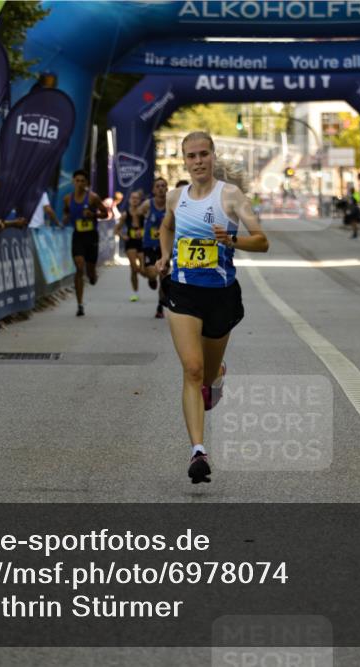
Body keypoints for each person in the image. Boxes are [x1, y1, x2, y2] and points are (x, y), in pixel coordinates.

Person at [154, 131, 269, 483]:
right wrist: (165, 256)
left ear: (213, 156)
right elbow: (166, 227)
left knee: (206, 374)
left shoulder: (230, 195)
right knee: (191, 369)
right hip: (183, 292)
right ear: (184, 160)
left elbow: (262, 241)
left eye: (203, 154)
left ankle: (216, 374)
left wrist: (232, 240)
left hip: (220, 294)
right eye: (191, 156)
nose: (198, 161)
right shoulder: (175, 197)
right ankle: (198, 452)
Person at [63, 169, 108, 317]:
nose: (80, 183)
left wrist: (93, 214)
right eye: (77, 180)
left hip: (91, 236)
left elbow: (106, 213)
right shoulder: (67, 199)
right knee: (79, 267)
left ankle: (93, 275)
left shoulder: (93, 198)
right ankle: (80, 304)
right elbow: (66, 211)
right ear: (73, 182)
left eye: (83, 181)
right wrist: (65, 218)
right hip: (78, 236)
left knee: (90, 271)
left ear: (87, 183)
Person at [136, 177, 169, 318]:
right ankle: (151, 279)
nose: (161, 188)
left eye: (163, 186)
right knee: (152, 273)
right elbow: (137, 213)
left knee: (163, 276)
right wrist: (138, 228)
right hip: (149, 245)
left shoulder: (171, 205)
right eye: (158, 186)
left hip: (164, 246)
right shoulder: (148, 204)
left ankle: (160, 306)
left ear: (167, 189)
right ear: (153, 190)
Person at [115, 189, 146, 302]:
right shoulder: (125, 214)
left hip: (142, 242)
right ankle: (135, 292)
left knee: (142, 269)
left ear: (140, 200)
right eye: (133, 198)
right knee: (134, 268)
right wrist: (123, 236)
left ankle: (150, 277)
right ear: (129, 200)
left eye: (137, 198)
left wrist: (145, 233)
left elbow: (151, 225)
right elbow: (116, 229)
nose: (134, 200)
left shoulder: (144, 213)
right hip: (130, 243)